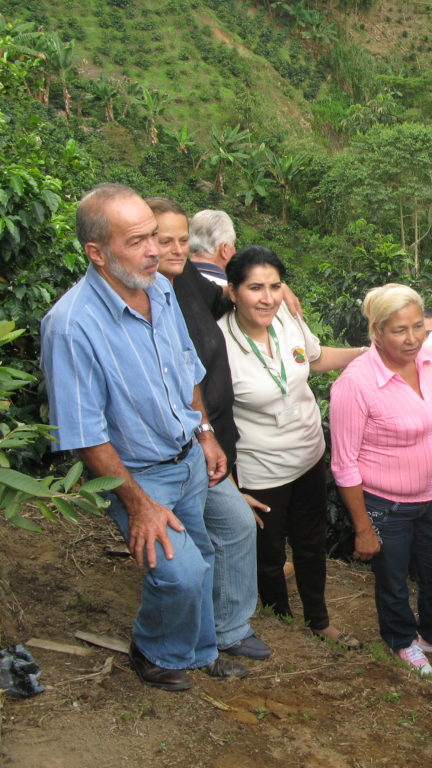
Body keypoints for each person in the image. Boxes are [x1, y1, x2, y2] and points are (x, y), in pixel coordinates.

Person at [40, 183, 248, 690]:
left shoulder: (158, 287)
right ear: (97, 252)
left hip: (188, 457)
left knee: (199, 557)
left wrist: (204, 434)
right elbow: (84, 434)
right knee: (178, 574)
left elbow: (186, 366)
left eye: (154, 236)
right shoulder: (71, 326)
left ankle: (196, 651)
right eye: (137, 241)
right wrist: (138, 505)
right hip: (139, 473)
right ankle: (152, 649)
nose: (154, 250)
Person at [330, 283, 432, 676]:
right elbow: (344, 463)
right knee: (393, 578)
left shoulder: (426, 361)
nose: (412, 338)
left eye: (418, 327)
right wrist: (363, 526)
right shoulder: (356, 383)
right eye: (400, 330)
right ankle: (401, 639)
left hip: (427, 495)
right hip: (384, 503)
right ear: (376, 331)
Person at [218, 245, 363, 648]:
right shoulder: (219, 343)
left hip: (309, 455)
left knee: (311, 545)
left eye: (275, 286)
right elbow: (209, 418)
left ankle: (319, 621)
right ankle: (279, 620)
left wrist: (368, 355)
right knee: (267, 554)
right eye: (254, 288)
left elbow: (316, 359)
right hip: (260, 468)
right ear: (232, 292)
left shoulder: (287, 317)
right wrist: (228, 483)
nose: (267, 298)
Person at [148, 197, 269, 660]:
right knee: (194, 548)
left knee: (235, 527)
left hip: (207, 435)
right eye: (164, 241)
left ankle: (229, 626)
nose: (176, 249)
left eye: (182, 239)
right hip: (171, 447)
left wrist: (281, 292)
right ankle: (187, 639)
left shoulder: (183, 284)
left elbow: (227, 293)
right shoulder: (145, 297)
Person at [189, 209, 236, 285]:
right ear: (224, 249)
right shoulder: (231, 292)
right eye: (233, 245)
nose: (235, 252)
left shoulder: (170, 279)